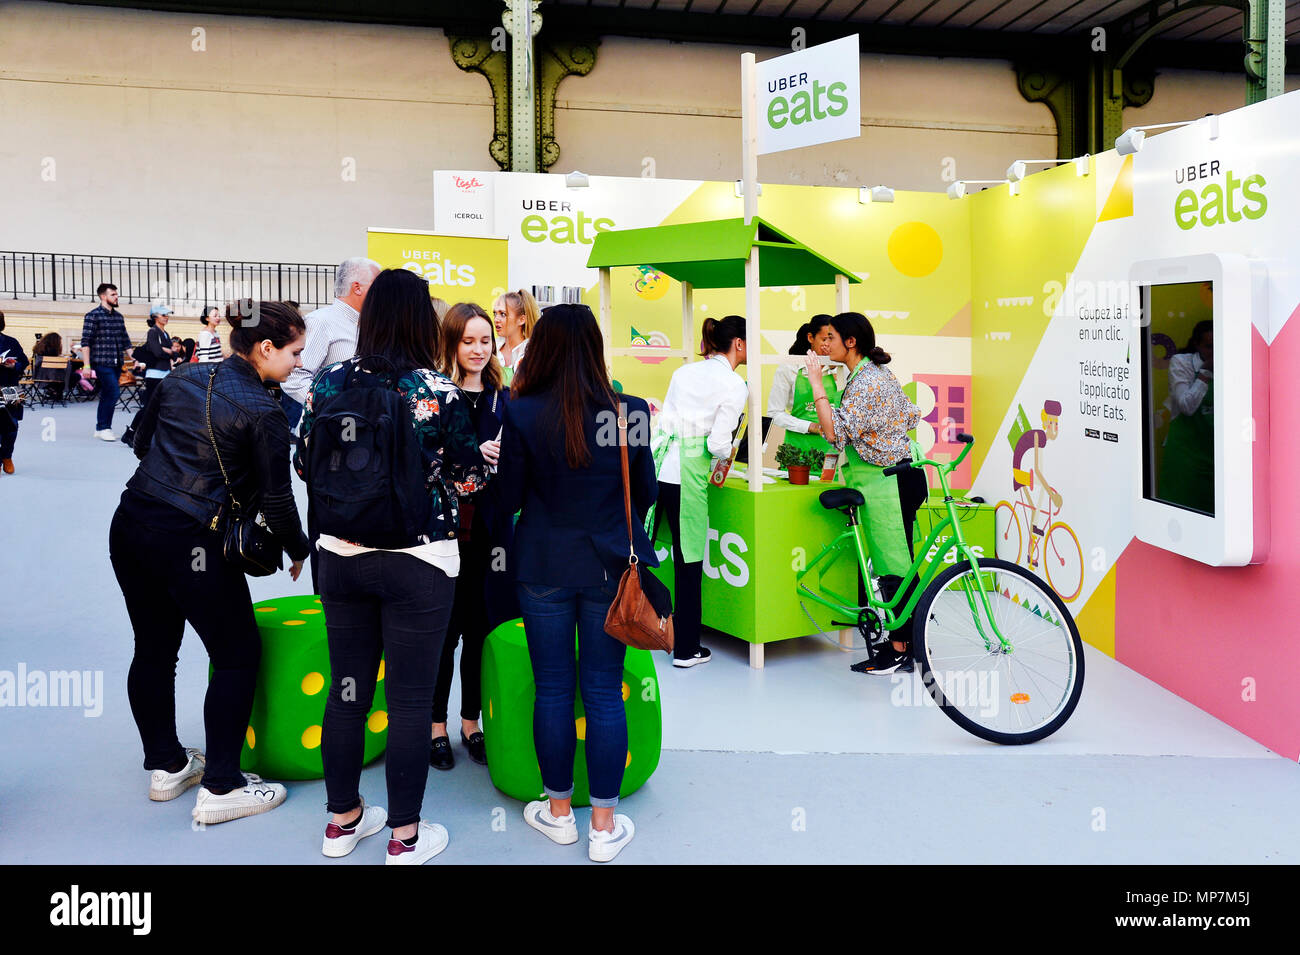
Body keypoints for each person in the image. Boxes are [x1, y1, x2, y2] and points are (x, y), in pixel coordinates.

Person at [295, 268, 487, 866]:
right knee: (408, 701)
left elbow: (303, 461)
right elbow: (468, 476)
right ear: (421, 322)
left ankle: (341, 822)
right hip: (419, 563)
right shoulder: (438, 390)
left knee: (346, 694)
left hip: (341, 558)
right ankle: (405, 838)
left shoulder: (328, 382)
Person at [110, 300, 310, 825]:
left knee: (153, 648)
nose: (297, 365)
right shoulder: (264, 411)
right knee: (237, 653)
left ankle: (167, 765)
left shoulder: (181, 377)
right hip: (193, 541)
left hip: (132, 522)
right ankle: (221, 786)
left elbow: (139, 444)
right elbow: (277, 502)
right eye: (295, 353)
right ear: (265, 348)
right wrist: (298, 548)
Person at [496, 302, 657, 863]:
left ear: (542, 347)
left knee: (554, 688)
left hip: (541, 565)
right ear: (595, 347)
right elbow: (649, 492)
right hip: (610, 568)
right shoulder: (628, 410)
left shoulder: (520, 411)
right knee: (604, 690)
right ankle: (605, 826)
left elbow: (509, 499)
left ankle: (559, 814)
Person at [805, 312, 926, 675]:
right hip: (902, 474)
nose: (825, 345)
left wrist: (816, 383)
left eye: (831, 338)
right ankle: (912, 644)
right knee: (902, 566)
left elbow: (832, 433)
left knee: (893, 568)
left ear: (850, 342)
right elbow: (909, 415)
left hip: (888, 481)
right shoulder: (874, 374)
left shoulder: (865, 383)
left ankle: (899, 651)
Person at [429, 303, 514, 771]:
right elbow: (421, 458)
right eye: (468, 341)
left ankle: (470, 722)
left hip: (493, 531)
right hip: (445, 533)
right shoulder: (435, 394)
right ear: (452, 343)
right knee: (444, 633)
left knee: (482, 630)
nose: (479, 350)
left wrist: (506, 457)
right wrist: (468, 454)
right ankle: (436, 726)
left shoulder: (506, 396)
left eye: (485, 340)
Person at [651, 315, 748, 668]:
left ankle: (643, 626)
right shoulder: (735, 384)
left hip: (661, 467)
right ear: (738, 344)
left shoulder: (684, 372)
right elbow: (719, 443)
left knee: (647, 552)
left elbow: (665, 421)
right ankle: (687, 648)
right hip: (690, 476)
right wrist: (726, 452)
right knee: (688, 561)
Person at [280, 256, 381, 431]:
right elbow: (294, 378)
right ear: (357, 287)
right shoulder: (320, 322)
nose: (382, 292)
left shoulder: (368, 325)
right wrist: (336, 407)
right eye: (377, 285)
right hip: (329, 431)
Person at [1158, 320, 1214, 514]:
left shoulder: (1232, 366)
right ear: (1197, 345)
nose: (1214, 352)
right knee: (1180, 509)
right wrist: (1206, 372)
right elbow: (1186, 406)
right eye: (1209, 346)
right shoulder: (1181, 362)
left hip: (1213, 454)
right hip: (1185, 456)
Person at [768, 314, 839, 457]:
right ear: (810, 338)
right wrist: (811, 427)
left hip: (833, 452)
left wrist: (835, 369)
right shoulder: (789, 368)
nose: (828, 345)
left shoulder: (842, 369)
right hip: (797, 450)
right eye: (824, 339)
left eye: (832, 339)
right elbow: (774, 414)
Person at [121, 306, 185, 446]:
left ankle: (152, 436)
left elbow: (173, 353)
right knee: (149, 407)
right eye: (163, 315)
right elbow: (157, 353)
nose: (166, 317)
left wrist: (169, 351)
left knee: (161, 407)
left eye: (167, 315)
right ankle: (130, 433)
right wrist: (169, 352)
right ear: (155, 317)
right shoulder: (153, 332)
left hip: (164, 373)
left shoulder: (165, 333)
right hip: (154, 374)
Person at [82, 282, 133, 441]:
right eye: (113, 294)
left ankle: (100, 427)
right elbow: (86, 342)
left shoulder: (119, 317)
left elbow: (126, 341)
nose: (117, 297)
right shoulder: (93, 315)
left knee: (106, 394)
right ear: (103, 296)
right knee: (113, 392)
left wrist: (135, 359)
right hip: (101, 362)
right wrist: (86, 365)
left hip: (117, 363)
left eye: (117, 294)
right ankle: (105, 427)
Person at [0, 311, 29, 474]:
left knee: (12, 426)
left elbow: (23, 362)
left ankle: (7, 456)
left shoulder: (11, 342)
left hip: (10, 388)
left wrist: (14, 366)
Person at [494, 289, 539, 386]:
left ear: (522, 319)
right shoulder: (490, 349)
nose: (496, 319)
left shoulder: (533, 353)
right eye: (495, 313)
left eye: (503, 314)